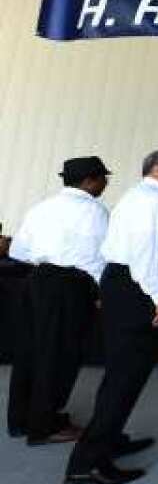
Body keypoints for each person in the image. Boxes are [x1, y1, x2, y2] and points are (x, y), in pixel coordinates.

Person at [66, 149, 158, 484]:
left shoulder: (156, 198)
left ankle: (111, 439)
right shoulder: (146, 201)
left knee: (129, 374)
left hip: (136, 285)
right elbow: (143, 254)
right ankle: (86, 463)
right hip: (138, 286)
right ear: (157, 169)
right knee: (124, 376)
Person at [6, 157, 109, 446]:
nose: (105, 184)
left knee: (30, 352)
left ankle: (22, 420)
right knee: (60, 355)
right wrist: (102, 293)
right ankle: (45, 426)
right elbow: (99, 257)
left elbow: (18, 250)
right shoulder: (95, 211)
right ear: (90, 180)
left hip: (36, 281)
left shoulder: (42, 207)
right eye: (103, 178)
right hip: (71, 286)